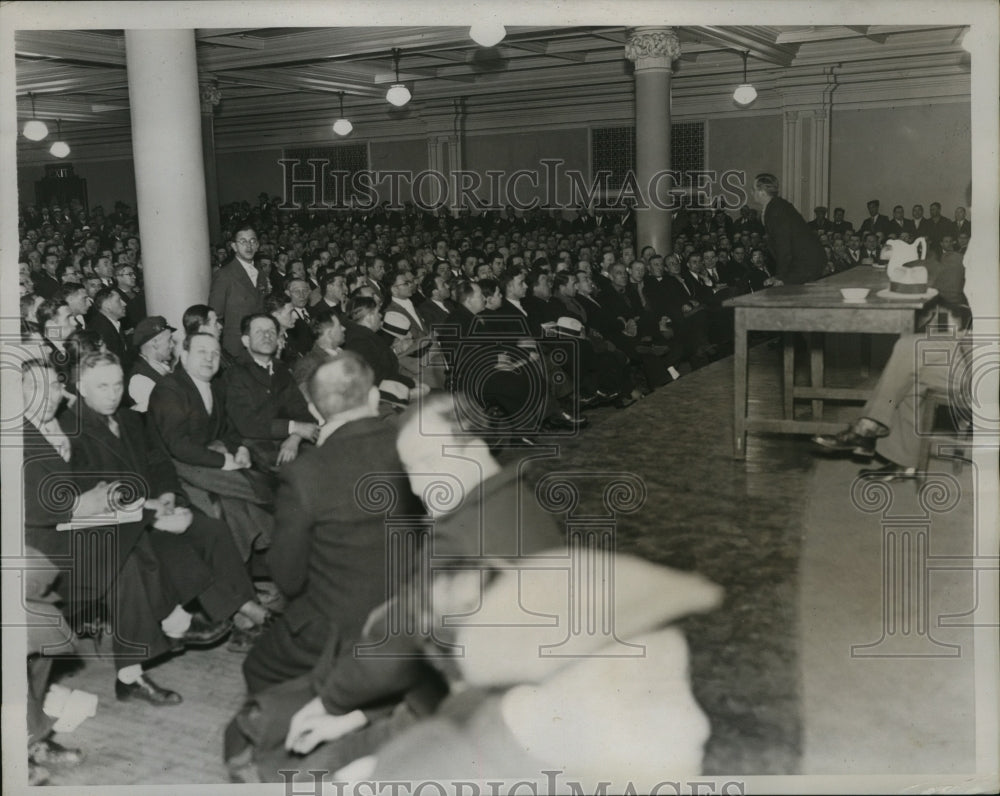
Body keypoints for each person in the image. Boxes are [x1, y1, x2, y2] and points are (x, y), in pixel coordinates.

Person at [242, 352, 423, 693]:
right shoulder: (410, 447)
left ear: (320, 409)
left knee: (258, 668)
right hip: (415, 609)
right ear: (372, 397)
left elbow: (288, 576)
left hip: (342, 625)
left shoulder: (306, 473)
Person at [812, 241, 971, 479]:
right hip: (973, 349)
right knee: (909, 357)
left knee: (910, 353)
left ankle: (867, 428)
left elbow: (952, 283)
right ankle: (901, 457)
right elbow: (952, 284)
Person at [147, 332, 275, 561]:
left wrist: (240, 449)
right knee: (254, 492)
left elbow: (229, 428)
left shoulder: (215, 386)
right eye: (202, 352)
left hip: (204, 465)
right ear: (184, 357)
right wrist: (225, 461)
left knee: (235, 506)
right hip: (174, 472)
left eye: (215, 353)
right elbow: (178, 446)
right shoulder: (170, 389)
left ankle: (246, 577)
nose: (209, 359)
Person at [221, 313, 318, 470]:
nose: (267, 336)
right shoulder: (235, 374)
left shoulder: (281, 370)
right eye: (259, 331)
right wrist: (294, 428)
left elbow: (303, 413)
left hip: (288, 442)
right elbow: (248, 424)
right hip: (252, 446)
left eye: (272, 331)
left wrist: (294, 438)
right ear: (246, 341)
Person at [751, 173, 826, 286]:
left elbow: (783, 245)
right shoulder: (777, 205)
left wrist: (781, 277)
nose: (752, 192)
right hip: (806, 262)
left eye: (754, 189)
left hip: (805, 264)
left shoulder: (775, 210)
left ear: (762, 191)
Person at [209, 224, 269, 359]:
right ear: (234, 246)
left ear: (258, 245)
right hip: (236, 348)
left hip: (260, 344)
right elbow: (214, 316)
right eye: (243, 241)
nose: (249, 246)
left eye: (253, 241)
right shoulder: (225, 275)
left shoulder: (261, 274)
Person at [127, 315, 175, 412]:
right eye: (169, 340)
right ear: (155, 343)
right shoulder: (140, 380)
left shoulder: (159, 366)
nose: (172, 345)